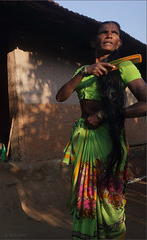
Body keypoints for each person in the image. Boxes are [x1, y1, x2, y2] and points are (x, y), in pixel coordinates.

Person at [56, 21, 147, 239]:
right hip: (85, 140)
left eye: (114, 33)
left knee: (109, 198)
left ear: (119, 43)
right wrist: (84, 72)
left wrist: (106, 115)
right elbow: (60, 96)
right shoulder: (83, 71)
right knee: (86, 196)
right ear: (93, 40)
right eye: (103, 32)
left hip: (110, 142)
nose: (108, 35)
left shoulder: (125, 66)